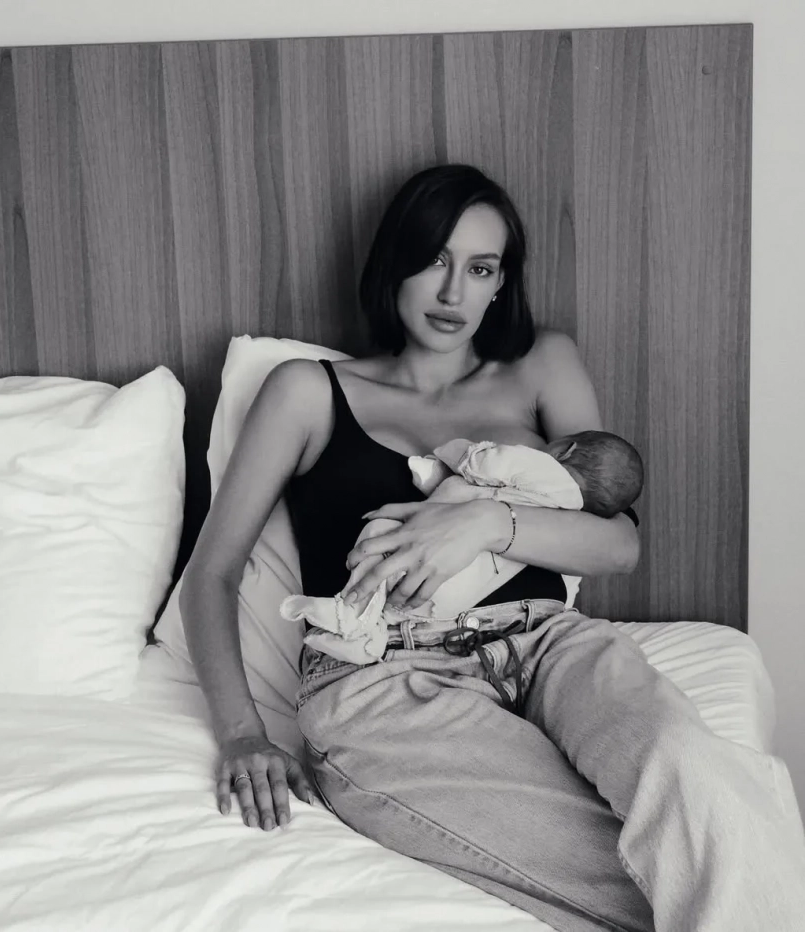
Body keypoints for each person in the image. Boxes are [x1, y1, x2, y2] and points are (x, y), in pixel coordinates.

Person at [180, 165, 805, 932]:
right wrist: (244, 735)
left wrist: (484, 523)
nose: (453, 292)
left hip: (550, 643)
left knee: (694, 773)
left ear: (502, 282)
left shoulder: (543, 366)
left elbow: (618, 545)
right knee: (638, 860)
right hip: (383, 682)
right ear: (394, 263)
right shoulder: (306, 391)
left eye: (480, 268)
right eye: (434, 260)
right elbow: (212, 574)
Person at [279, 430, 644, 666]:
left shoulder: (545, 468)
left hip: (490, 628)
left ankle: (352, 615)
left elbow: (486, 465)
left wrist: (459, 452)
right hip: (488, 606)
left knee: (380, 533)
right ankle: (369, 632)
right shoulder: (574, 511)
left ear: (566, 449)